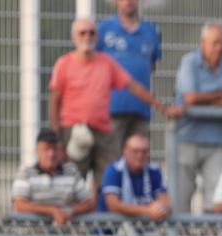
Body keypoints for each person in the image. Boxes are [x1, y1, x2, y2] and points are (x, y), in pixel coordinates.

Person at [50, 17, 175, 188]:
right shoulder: (64, 64)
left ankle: (103, 214)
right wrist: (57, 137)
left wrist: (162, 107)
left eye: (92, 33)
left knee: (109, 181)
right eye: (82, 33)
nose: (87, 37)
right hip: (74, 130)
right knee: (73, 181)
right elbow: (54, 101)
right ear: (74, 37)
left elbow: (134, 87)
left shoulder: (106, 63)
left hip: (103, 131)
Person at [174, 21, 222, 214]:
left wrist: (207, 102)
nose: (220, 47)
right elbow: (190, 98)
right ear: (202, 42)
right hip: (187, 138)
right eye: (215, 43)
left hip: (216, 140)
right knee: (182, 194)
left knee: (215, 196)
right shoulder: (189, 61)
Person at [97, 0, 163, 152]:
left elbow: (151, 66)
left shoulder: (151, 30)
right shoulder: (104, 29)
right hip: (110, 110)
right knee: (110, 162)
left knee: (138, 162)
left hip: (140, 110)